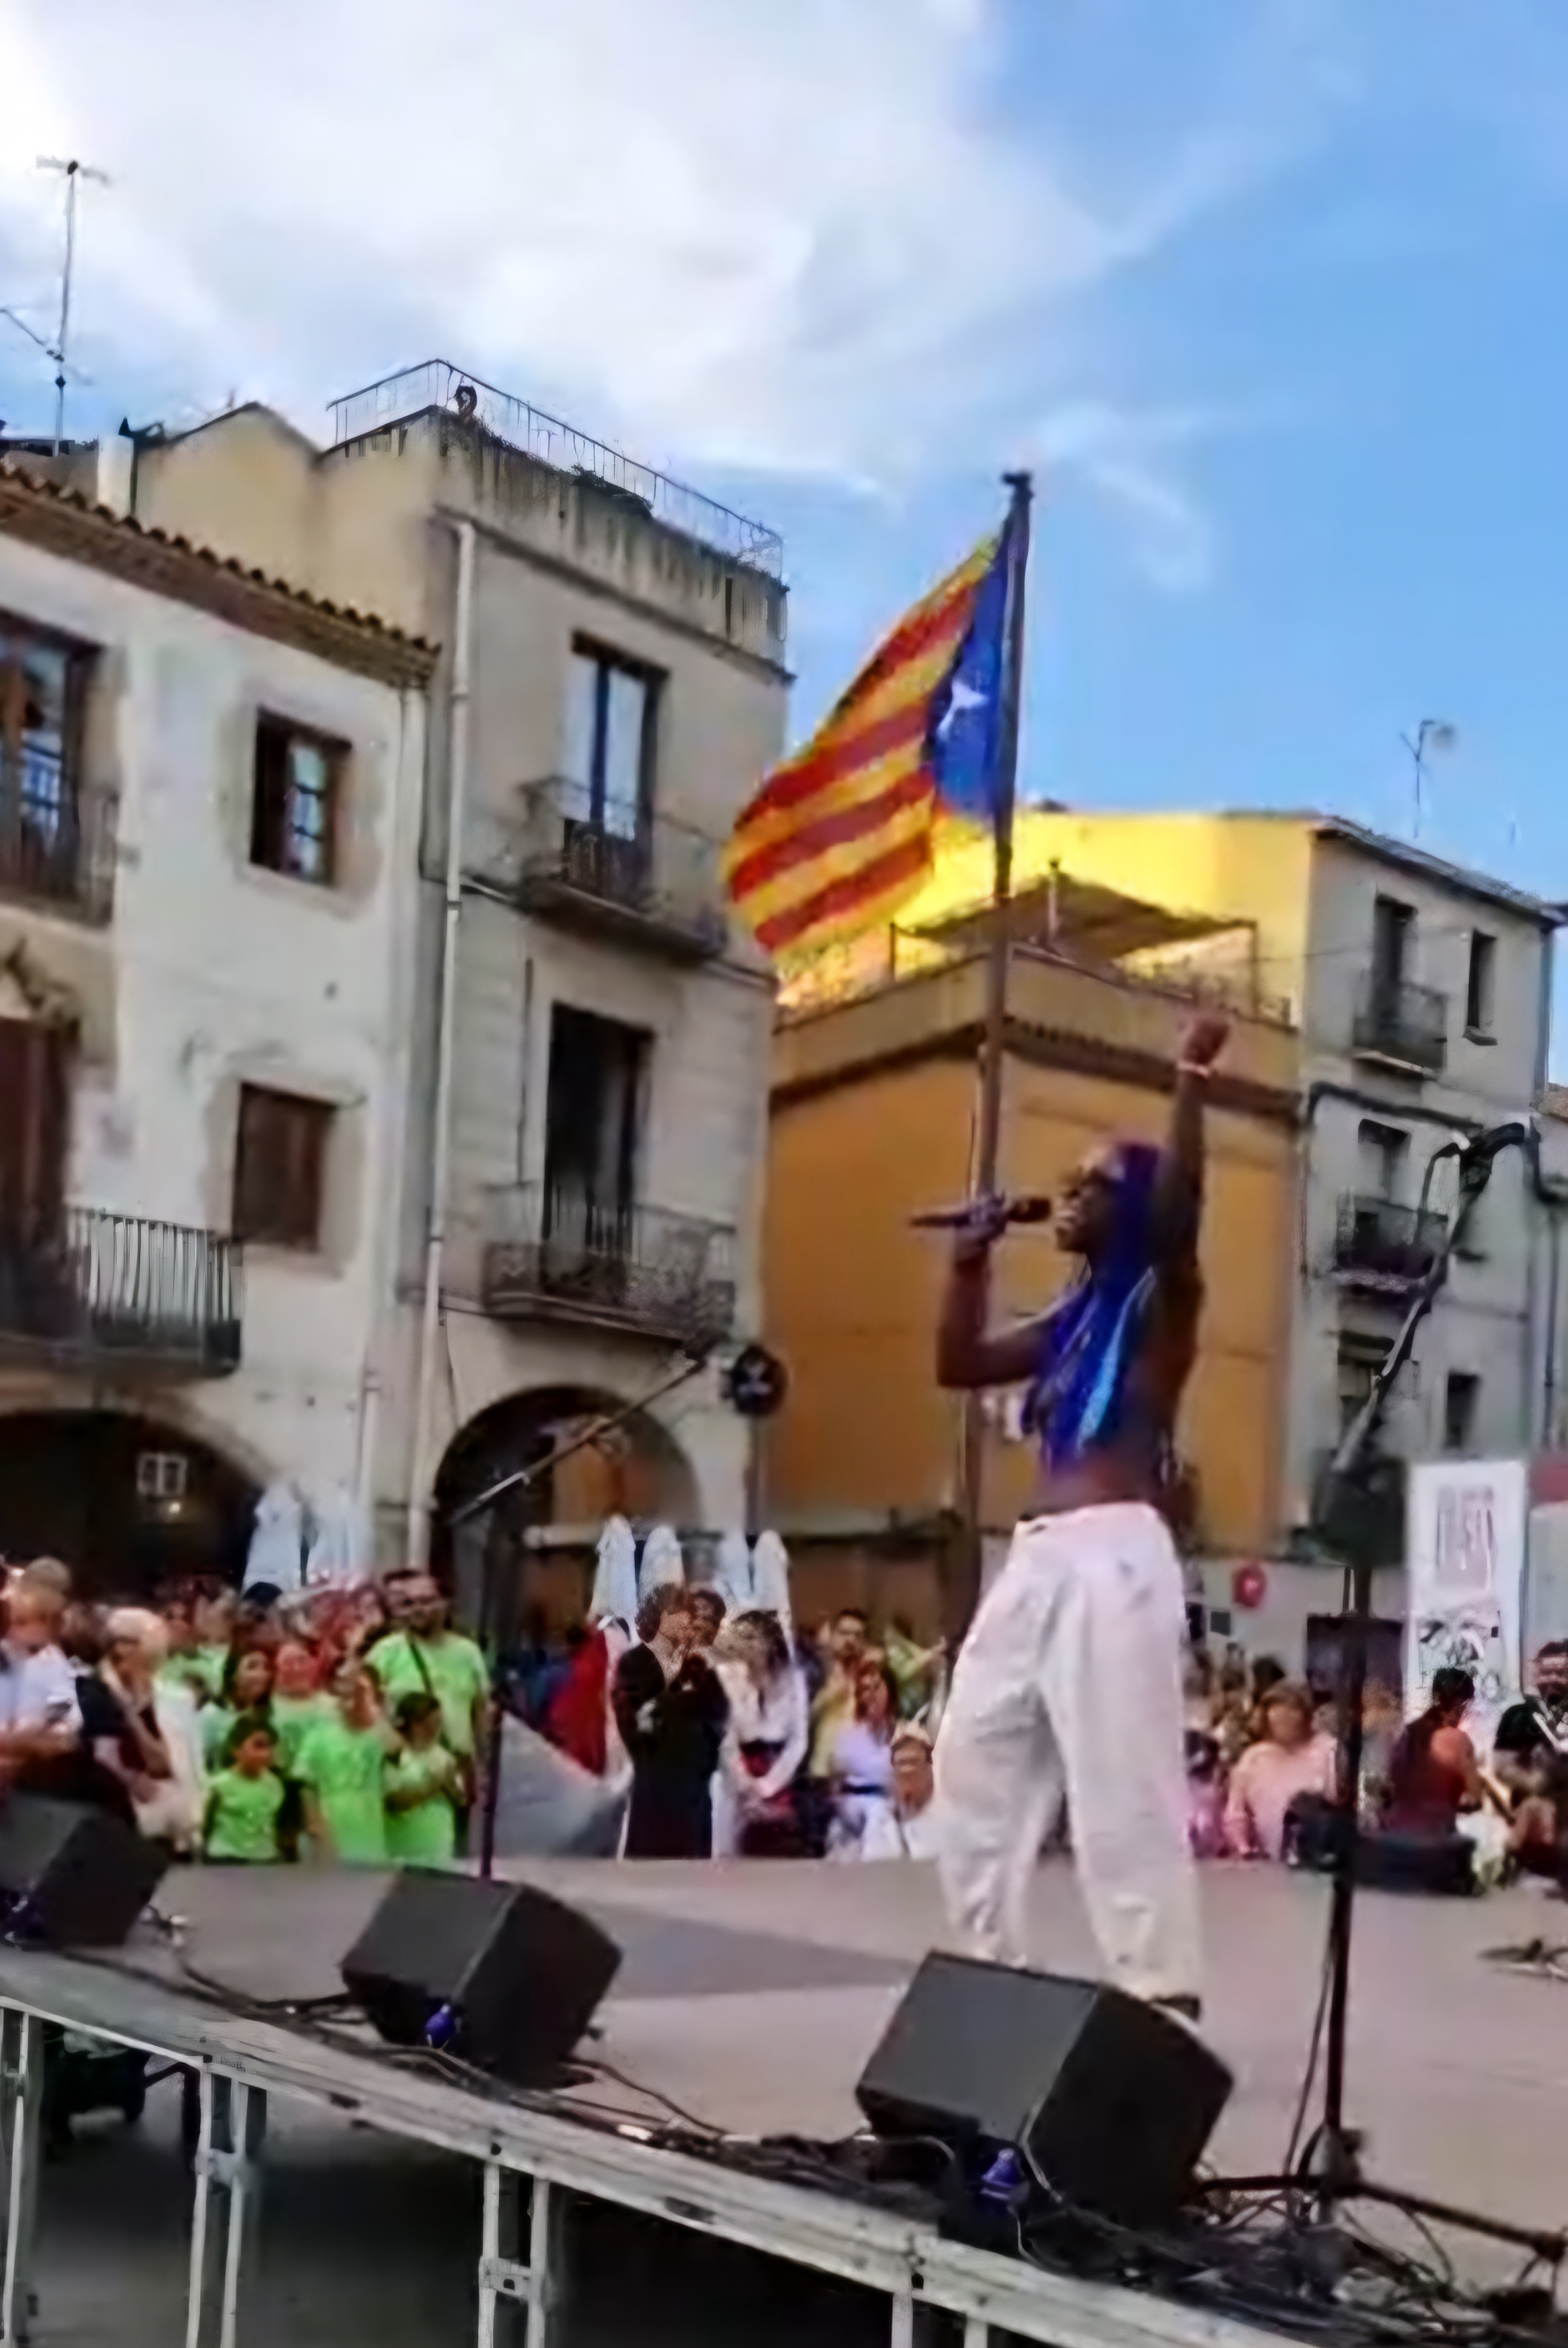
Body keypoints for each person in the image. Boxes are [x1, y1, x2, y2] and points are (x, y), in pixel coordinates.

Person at [930, 1011, 1229, 2014]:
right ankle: (988, 1973)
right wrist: (967, 1264)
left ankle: (1160, 1994)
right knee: (969, 1758)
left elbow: (1184, 1204)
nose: (1065, 1194)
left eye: (1091, 1183)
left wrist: (1186, 1076)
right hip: (1039, 1554)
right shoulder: (1069, 1320)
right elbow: (957, 1364)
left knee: (1119, 1783)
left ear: (1136, 1206)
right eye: (1065, 1181)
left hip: (1115, 1553)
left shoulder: (1161, 1292)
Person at [369, 1577, 490, 1841]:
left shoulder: (467, 1653)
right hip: (405, 1778)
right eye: (408, 1604)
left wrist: (483, 1769)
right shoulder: (385, 1653)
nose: (417, 1610)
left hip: (455, 1773)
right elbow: (370, 1713)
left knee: (454, 1860)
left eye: (426, 1601)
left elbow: (480, 1713)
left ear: (445, 1604)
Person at [612, 1587, 728, 1858]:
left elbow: (719, 1714)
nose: (694, 1624)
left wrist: (703, 1758)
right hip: (653, 1775)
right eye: (687, 1615)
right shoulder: (635, 1661)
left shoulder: (699, 1668)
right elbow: (627, 1716)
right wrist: (645, 1750)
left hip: (692, 1782)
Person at [716, 1609, 808, 1856]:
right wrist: (747, 1784)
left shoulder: (794, 1679)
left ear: (770, 1642)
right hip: (740, 1778)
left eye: (752, 1638)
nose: (746, 1646)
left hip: (780, 1772)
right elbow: (727, 1741)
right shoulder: (728, 1677)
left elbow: (799, 1740)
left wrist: (769, 1786)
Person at [1223, 1682, 1337, 1860]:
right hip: (1269, 1863)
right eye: (1278, 1721)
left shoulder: (1327, 1749)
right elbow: (1236, 1815)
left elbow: (1341, 1798)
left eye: (1291, 1717)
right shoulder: (1255, 1758)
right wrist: (1243, 1848)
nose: (1285, 1726)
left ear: (1306, 1717)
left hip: (1320, 1856)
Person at [297, 1659, 393, 1864]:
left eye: (363, 1692)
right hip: (332, 1830)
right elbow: (306, 1786)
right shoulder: (318, 1736)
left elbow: (397, 1750)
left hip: (370, 1836)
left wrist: (371, 1711)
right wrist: (317, 1828)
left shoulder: (378, 1735)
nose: (354, 1698)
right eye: (350, 1690)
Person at [1383, 1668, 1483, 1837]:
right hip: (1435, 1839)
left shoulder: (1410, 1732)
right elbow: (1475, 1799)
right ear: (1462, 1703)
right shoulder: (1459, 1740)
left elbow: (1391, 1782)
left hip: (1399, 1835)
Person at [827, 1657, 901, 1857]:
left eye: (877, 1688)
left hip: (885, 1823)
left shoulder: (904, 1737)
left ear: (890, 1691)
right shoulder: (847, 1736)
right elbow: (836, 1785)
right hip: (849, 1823)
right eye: (865, 1689)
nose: (871, 1695)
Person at [384, 1692, 464, 1867]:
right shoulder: (394, 1756)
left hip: (440, 1854)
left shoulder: (445, 1758)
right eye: (422, 1722)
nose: (431, 1729)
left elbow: (462, 1799)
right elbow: (395, 1803)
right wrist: (434, 1787)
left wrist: (455, 1788)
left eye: (436, 1722)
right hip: (404, 1856)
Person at [203, 1717, 285, 1864]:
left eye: (269, 1747)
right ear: (236, 1750)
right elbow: (206, 1822)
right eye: (258, 1746)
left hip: (264, 1857)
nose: (265, 1754)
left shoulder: (275, 1785)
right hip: (226, 1857)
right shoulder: (220, 1784)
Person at [862, 1723, 945, 1860]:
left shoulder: (945, 1817)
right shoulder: (881, 1820)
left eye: (914, 1762)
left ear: (929, 1767)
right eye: (901, 1763)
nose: (907, 1770)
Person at [200, 1646, 275, 1771]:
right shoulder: (211, 1716)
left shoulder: (265, 1716)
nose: (261, 1674)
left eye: (266, 1668)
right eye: (252, 1667)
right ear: (232, 1674)